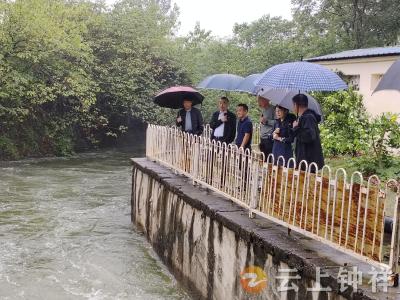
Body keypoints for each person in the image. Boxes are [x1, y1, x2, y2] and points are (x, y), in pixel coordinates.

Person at [291, 94, 324, 170]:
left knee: (307, 181)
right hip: (305, 160)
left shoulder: (308, 117)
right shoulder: (304, 117)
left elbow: (309, 136)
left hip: (309, 160)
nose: (293, 107)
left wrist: (296, 128)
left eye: (293, 105)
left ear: (296, 105)